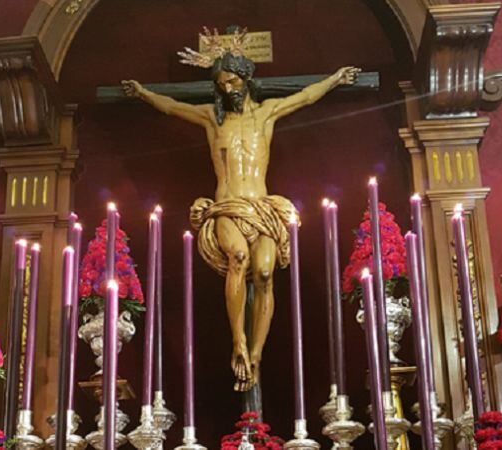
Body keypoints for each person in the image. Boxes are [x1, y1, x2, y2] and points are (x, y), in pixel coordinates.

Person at [122, 27, 359, 391]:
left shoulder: (265, 115)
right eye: (221, 85)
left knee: (264, 273)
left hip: (261, 207)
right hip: (227, 206)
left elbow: (306, 97)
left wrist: (335, 79)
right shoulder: (211, 119)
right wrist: (142, 94)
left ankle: (257, 353)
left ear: (246, 79)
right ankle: (238, 342)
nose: (227, 90)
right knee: (238, 257)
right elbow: (173, 106)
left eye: (232, 82)